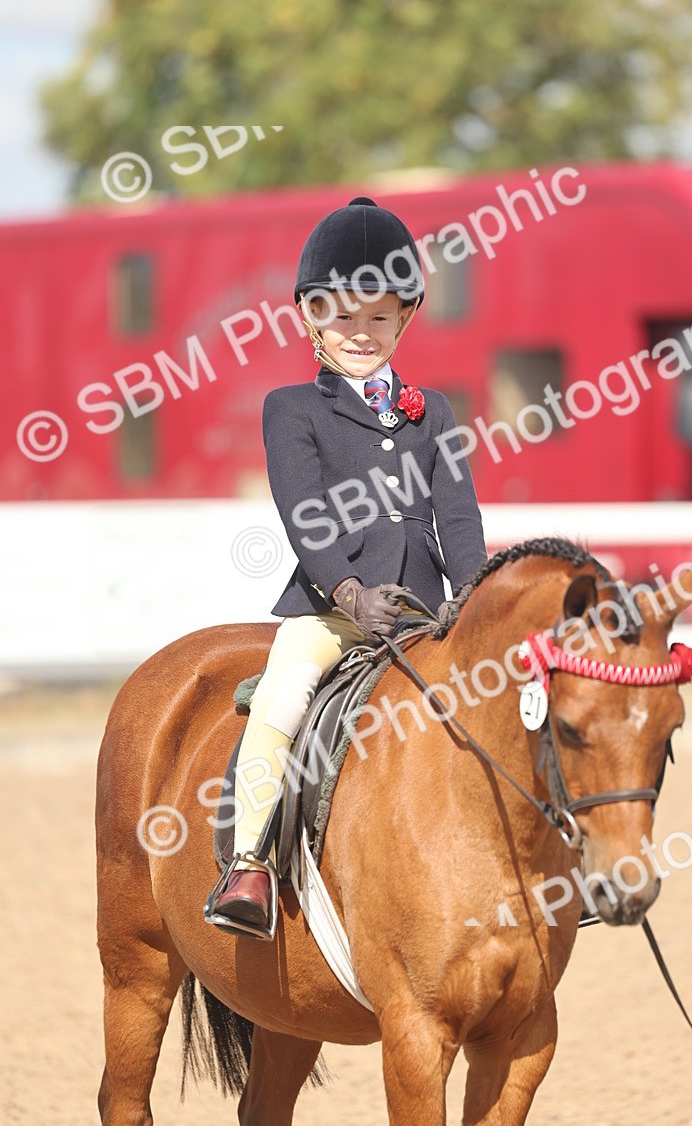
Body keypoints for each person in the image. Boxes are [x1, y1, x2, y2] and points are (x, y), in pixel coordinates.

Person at [205, 195, 487, 940]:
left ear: (404, 321)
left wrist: (477, 598)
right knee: (284, 699)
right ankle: (250, 865)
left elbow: (457, 518)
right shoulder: (292, 408)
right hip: (333, 609)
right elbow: (306, 514)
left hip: (425, 610)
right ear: (310, 320)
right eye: (343, 317)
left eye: (379, 318)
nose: (361, 334)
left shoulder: (436, 414)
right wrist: (350, 592)